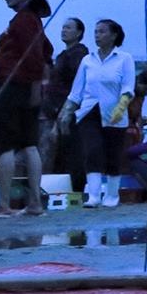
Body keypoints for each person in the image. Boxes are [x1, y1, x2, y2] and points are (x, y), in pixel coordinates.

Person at [0, 0, 52, 217]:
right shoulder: (33, 21)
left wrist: (35, 84)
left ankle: (4, 204)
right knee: (29, 144)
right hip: (25, 88)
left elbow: (35, 56)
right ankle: (34, 202)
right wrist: (37, 85)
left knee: (7, 146)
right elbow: (45, 52)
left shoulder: (23, 20)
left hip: (12, 87)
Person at [60, 18, 136, 208]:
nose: (97, 35)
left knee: (113, 154)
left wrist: (122, 105)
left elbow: (128, 86)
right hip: (89, 112)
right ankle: (93, 195)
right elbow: (76, 91)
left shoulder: (124, 58)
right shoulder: (88, 60)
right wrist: (66, 112)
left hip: (114, 113)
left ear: (114, 35)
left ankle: (112, 195)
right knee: (91, 150)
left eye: (102, 32)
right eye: (95, 32)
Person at [40, 16, 88, 185]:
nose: (64, 30)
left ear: (79, 32)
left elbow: (77, 86)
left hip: (66, 111)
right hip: (55, 109)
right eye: (63, 27)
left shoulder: (78, 55)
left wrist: (64, 110)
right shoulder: (64, 55)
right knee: (57, 154)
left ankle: (67, 188)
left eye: (68, 28)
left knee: (65, 153)